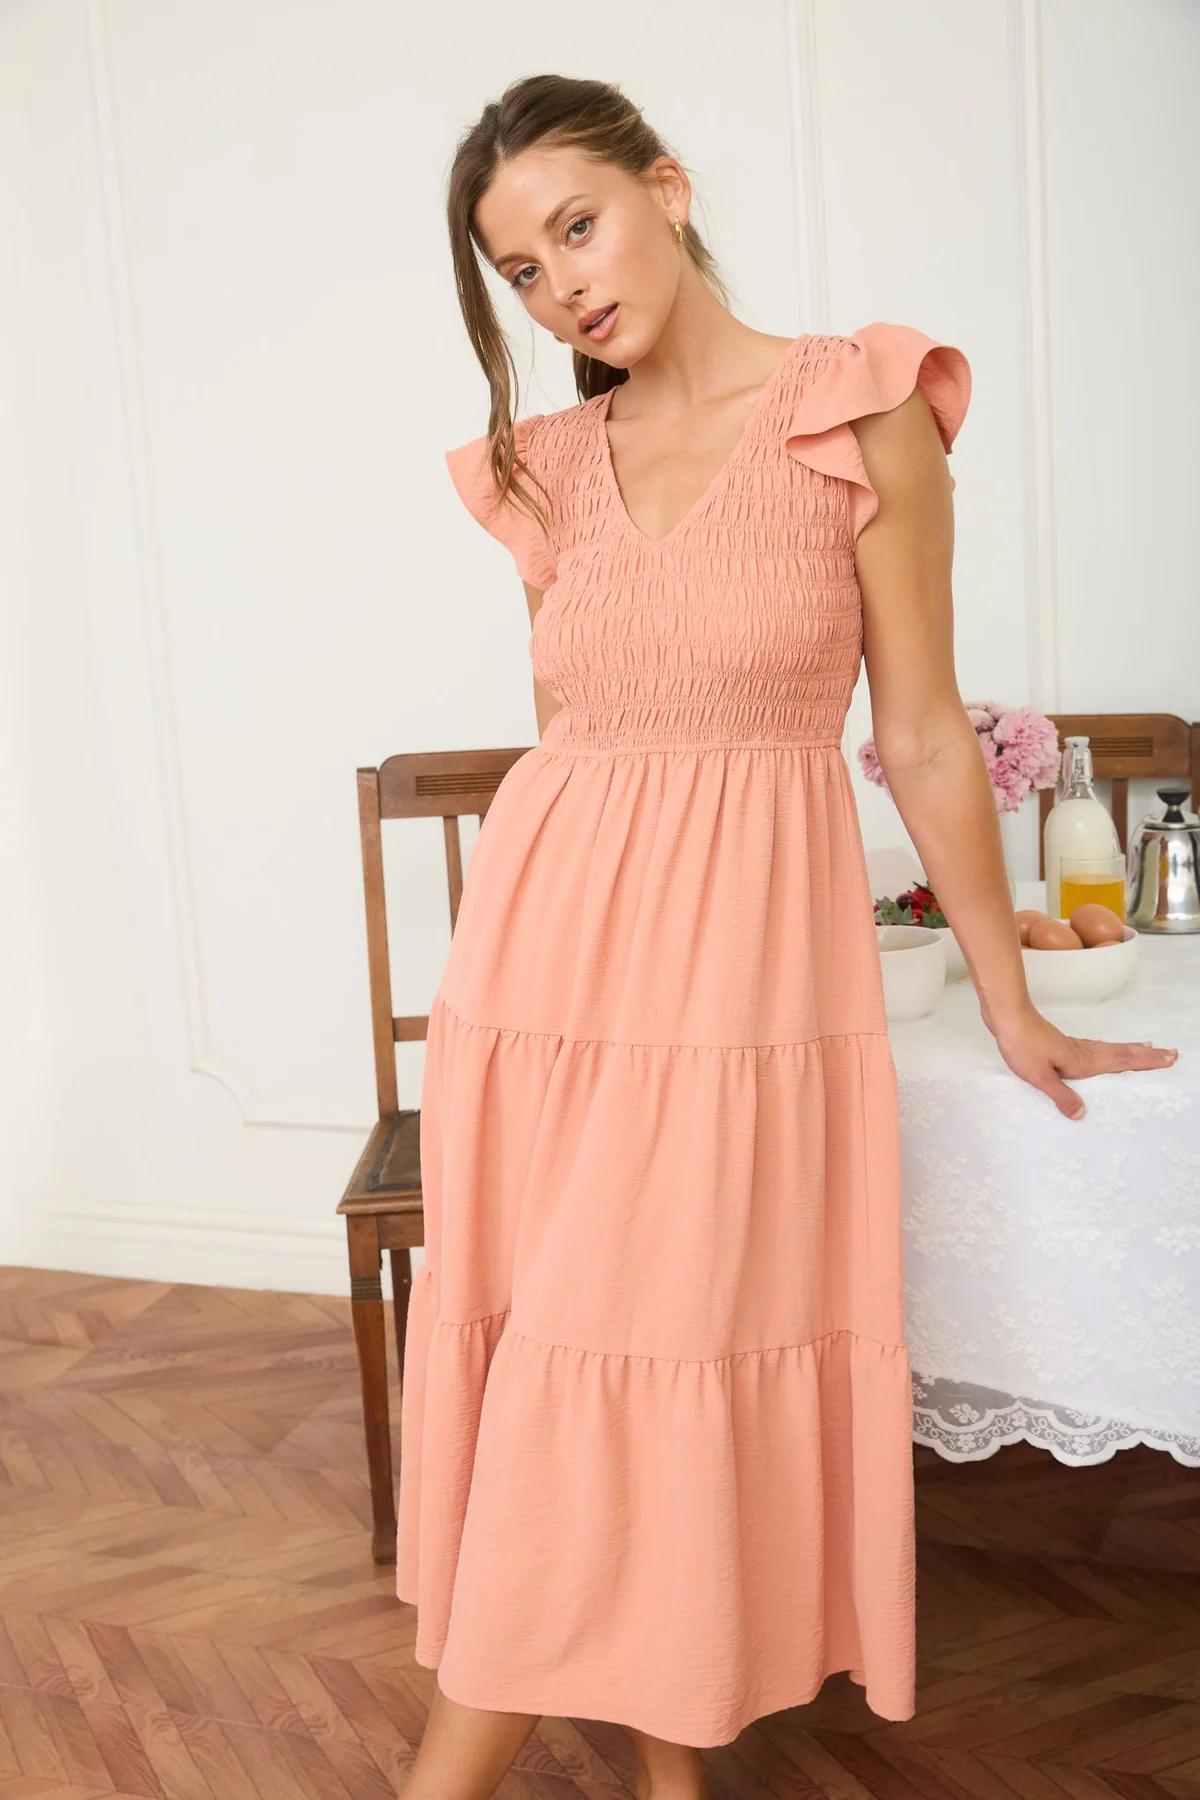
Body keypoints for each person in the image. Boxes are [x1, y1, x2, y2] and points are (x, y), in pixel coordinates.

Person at [395, 73, 1180, 1800]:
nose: (561, 288)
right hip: (544, 965)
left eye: (577, 227)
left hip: (743, 967)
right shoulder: (540, 470)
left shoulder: (857, 411)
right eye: (519, 272)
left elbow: (915, 738)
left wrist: (1011, 1000)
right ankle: (670, 1777)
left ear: (667, 190)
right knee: (570, 1348)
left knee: (659, 1340)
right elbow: (589, 727)